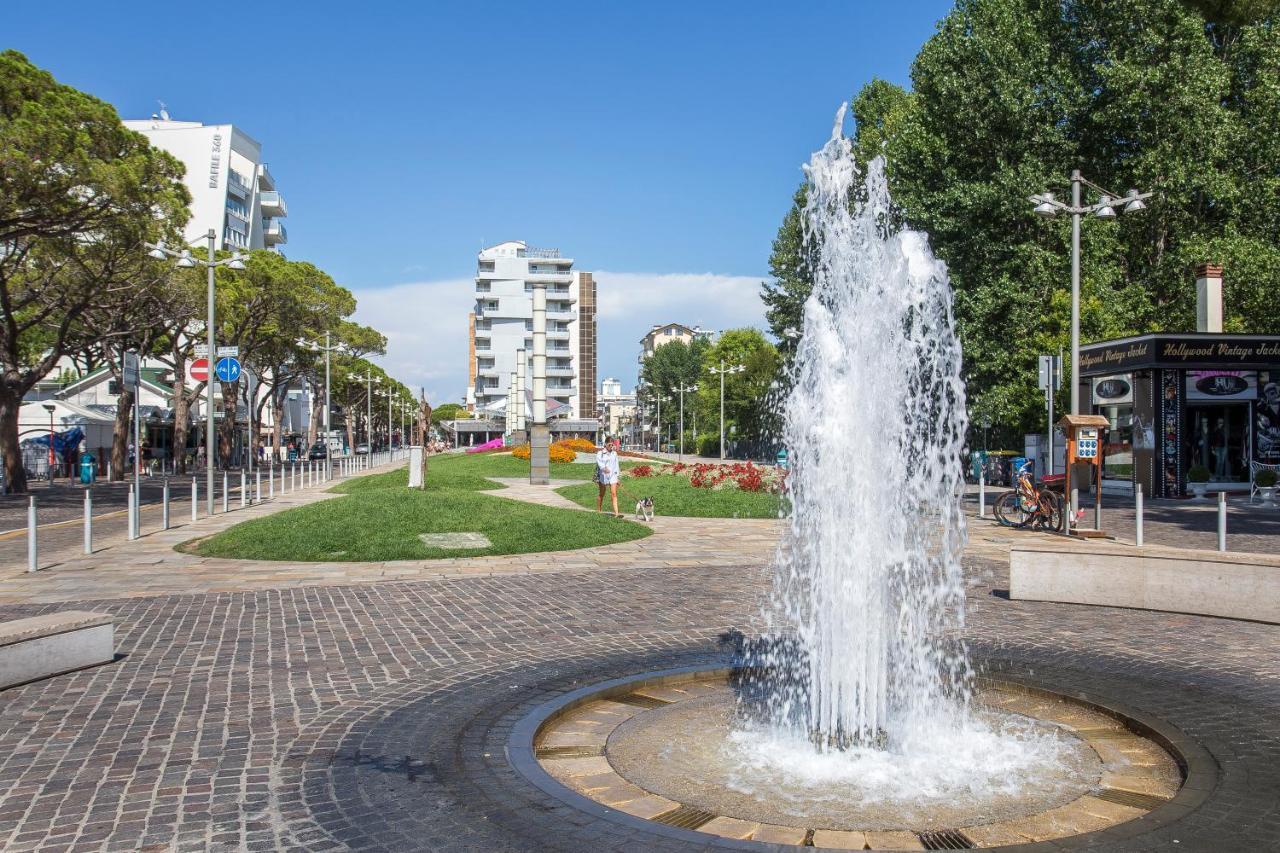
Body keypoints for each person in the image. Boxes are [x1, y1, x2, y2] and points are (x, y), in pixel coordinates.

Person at [594, 437, 622, 517]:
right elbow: (599, 462)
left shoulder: (614, 453)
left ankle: (616, 514)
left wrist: (617, 477)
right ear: (605, 444)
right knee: (601, 494)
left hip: (613, 476)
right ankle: (598, 509)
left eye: (612, 444)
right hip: (603, 476)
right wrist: (603, 468)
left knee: (614, 494)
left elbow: (616, 465)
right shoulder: (600, 453)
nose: (611, 446)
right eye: (609, 444)